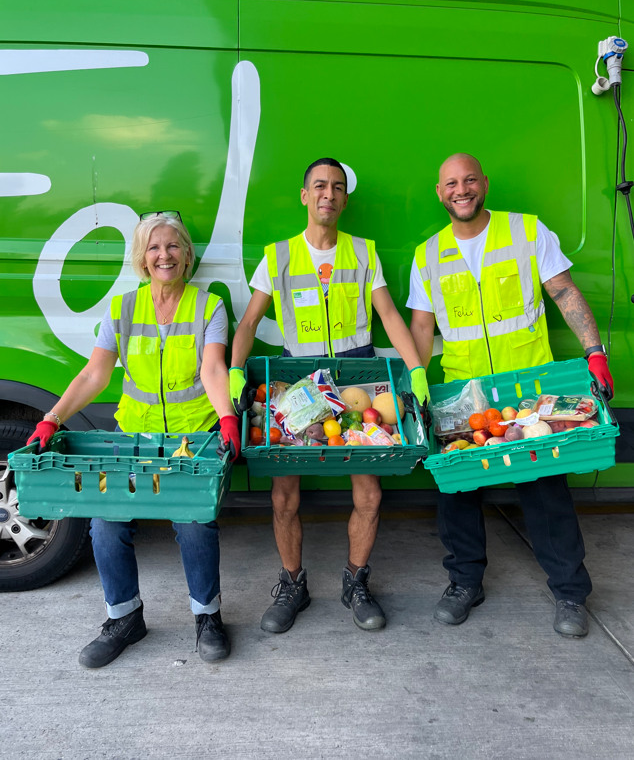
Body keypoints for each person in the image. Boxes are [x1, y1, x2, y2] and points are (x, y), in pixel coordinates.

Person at [408, 153, 614, 638]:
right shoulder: (427, 254)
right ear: (440, 193)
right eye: (451, 184)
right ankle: (464, 583)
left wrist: (594, 352)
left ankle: (569, 592)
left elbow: (562, 291)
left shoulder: (526, 230)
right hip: (464, 395)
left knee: (545, 492)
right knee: (457, 491)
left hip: (528, 393)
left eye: (470, 180)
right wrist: (416, 382)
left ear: (484, 184)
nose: (462, 190)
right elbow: (421, 324)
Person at [26, 211, 241, 667]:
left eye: (173, 246)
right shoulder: (123, 308)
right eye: (154, 247)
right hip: (134, 439)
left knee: (194, 524)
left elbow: (213, 368)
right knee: (106, 523)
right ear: (143, 258)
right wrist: (52, 418)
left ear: (187, 254)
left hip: (190, 438)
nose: (165, 255)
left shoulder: (209, 306)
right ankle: (124, 618)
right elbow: (95, 373)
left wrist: (226, 417)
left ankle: (207, 617)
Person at [230, 157, 430, 634]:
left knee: (369, 492)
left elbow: (390, 317)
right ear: (304, 195)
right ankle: (292, 584)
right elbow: (250, 323)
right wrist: (236, 371)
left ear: (344, 198)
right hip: (296, 387)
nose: (328, 194)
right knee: (284, 495)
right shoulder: (278, 255)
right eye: (319, 185)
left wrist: (416, 370)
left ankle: (355, 582)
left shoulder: (363, 252)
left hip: (355, 379)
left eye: (338, 187)